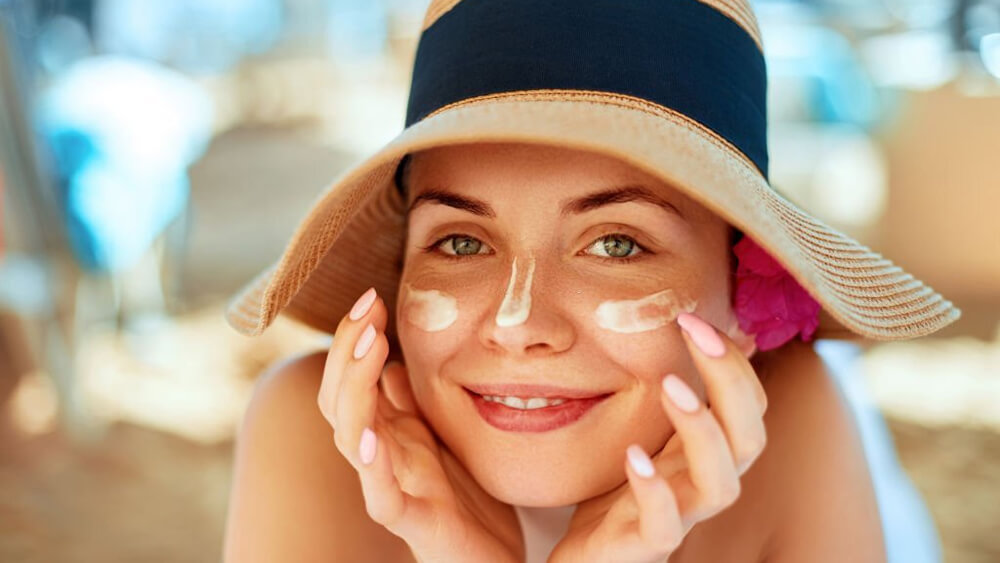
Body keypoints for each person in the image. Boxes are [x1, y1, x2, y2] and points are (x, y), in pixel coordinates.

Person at [220, 1, 960, 561]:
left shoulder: (799, 419)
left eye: (616, 243)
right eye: (460, 240)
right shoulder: (311, 434)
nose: (517, 322)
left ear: (743, 291)